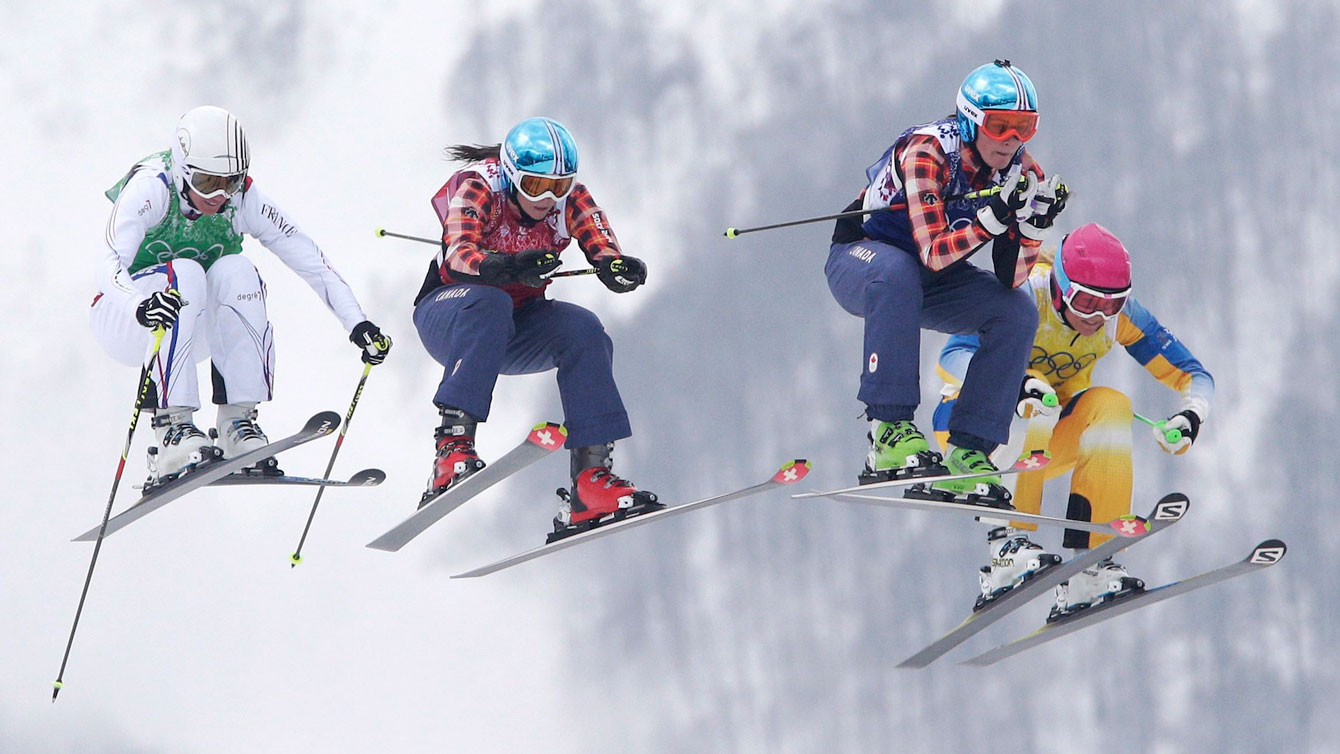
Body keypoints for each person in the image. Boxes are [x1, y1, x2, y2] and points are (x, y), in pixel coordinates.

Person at [91, 105, 392, 484]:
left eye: (230, 182)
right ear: (183, 170)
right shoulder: (153, 187)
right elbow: (107, 263)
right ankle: (173, 430)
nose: (219, 195)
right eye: (206, 183)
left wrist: (357, 321)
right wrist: (139, 306)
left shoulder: (243, 200)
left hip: (189, 324)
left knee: (238, 271)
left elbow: (309, 259)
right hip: (125, 318)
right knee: (185, 272)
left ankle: (237, 423)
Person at [931, 222, 1214, 614]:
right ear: (1062, 287)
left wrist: (1191, 415)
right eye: (1085, 301)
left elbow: (1194, 375)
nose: (1097, 316)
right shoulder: (1025, 295)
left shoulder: (1118, 319)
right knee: (1040, 396)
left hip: (1043, 444)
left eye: (1112, 304)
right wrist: (1015, 385)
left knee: (1112, 405)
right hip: (969, 431)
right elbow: (951, 358)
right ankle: (1007, 546)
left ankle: (1094, 563)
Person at [825, 59, 1067, 502]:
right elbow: (934, 252)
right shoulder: (928, 152)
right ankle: (889, 431)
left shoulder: (1021, 171)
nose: (1011, 141)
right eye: (999, 126)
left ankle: (970, 449)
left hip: (931, 278)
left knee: (1014, 312)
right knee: (896, 272)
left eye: (1024, 128)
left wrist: (1033, 226)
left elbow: (1012, 277)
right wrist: (993, 219)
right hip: (864, 260)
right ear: (973, 121)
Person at [413, 116, 660, 539]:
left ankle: (590, 481)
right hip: (452, 314)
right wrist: (503, 266)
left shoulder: (570, 201)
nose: (548, 199)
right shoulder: (479, 186)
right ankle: (451, 451)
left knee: (584, 329)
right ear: (511, 176)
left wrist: (614, 265)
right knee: (490, 302)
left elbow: (598, 239)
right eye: (534, 186)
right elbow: (458, 253)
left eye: (558, 187)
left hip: (515, 324)